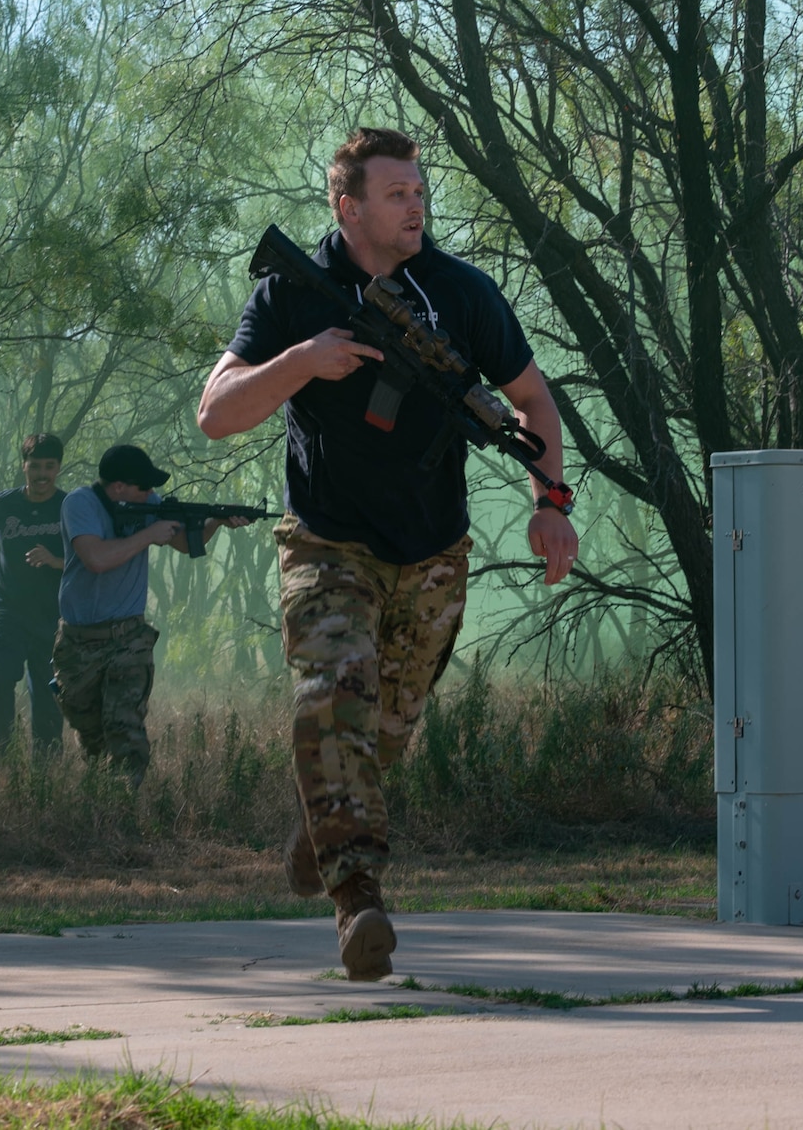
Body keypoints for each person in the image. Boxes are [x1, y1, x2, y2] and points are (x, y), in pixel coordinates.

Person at [196, 127, 579, 982]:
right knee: (334, 696)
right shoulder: (293, 292)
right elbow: (215, 412)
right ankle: (357, 899)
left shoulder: (459, 292)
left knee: (380, 731)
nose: (417, 205)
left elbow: (531, 400)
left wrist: (549, 503)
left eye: (419, 190)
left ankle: (321, 830)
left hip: (432, 552)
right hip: (326, 540)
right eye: (398, 193)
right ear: (349, 207)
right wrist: (303, 361)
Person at [54, 443, 250, 782]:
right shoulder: (79, 503)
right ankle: (100, 807)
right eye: (143, 487)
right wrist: (148, 535)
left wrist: (216, 521)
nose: (152, 493)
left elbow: (187, 543)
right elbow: (96, 559)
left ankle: (123, 810)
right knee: (91, 733)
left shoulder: (150, 505)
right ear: (118, 488)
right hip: (79, 641)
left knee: (125, 728)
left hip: (129, 639)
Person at [0, 432, 68, 758]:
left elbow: (87, 557)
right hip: (6, 612)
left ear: (58, 469)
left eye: (49, 467)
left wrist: (54, 561)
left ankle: (45, 777)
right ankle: (1, 762)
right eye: (35, 466)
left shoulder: (68, 507)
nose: (41, 475)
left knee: (49, 697)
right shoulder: (2, 505)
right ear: (24, 467)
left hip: (52, 617)